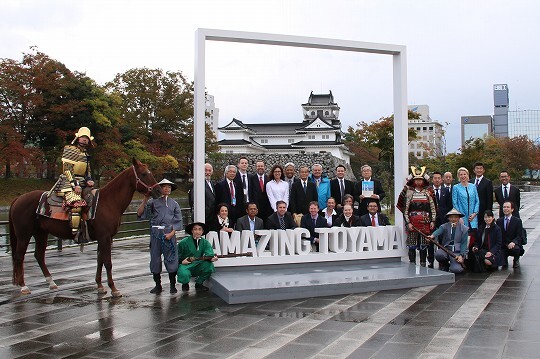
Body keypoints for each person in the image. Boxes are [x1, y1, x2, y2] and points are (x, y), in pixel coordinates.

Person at [137, 178, 183, 294]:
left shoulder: (174, 204)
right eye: (164, 186)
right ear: (160, 188)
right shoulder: (152, 202)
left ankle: (173, 285)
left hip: (169, 234)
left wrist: (172, 233)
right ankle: (158, 285)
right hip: (156, 234)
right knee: (155, 260)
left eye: (169, 187)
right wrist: (146, 198)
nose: (167, 189)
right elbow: (140, 213)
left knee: (171, 260)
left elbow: (178, 221)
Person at [51, 126, 97, 241]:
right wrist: (74, 184)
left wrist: (89, 180)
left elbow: (87, 172)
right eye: (83, 137)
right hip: (68, 181)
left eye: (87, 138)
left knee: (95, 199)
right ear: (78, 138)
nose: (85, 140)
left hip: (83, 183)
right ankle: (75, 233)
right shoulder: (70, 149)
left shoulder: (86, 155)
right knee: (76, 204)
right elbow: (67, 169)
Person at [399, 166, 436, 267]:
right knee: (412, 244)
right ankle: (412, 263)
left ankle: (423, 263)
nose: (419, 182)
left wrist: (433, 221)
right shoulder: (409, 193)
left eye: (420, 179)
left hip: (425, 222)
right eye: (416, 180)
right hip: (412, 222)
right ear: (414, 181)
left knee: (424, 244)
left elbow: (433, 208)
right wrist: (408, 223)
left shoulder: (428, 192)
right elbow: (405, 210)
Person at [177, 222, 218, 292]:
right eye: (195, 229)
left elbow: (209, 254)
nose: (197, 231)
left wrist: (211, 258)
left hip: (199, 264)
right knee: (184, 274)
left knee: (209, 266)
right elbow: (176, 255)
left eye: (199, 229)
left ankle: (199, 283)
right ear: (192, 231)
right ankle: (185, 283)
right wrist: (181, 261)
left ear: (202, 232)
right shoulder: (183, 242)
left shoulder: (205, 242)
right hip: (186, 265)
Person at [428, 208, 468, 273]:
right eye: (451, 217)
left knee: (456, 270)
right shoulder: (445, 226)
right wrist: (432, 236)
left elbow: (464, 243)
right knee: (438, 254)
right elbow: (438, 231)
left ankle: (455, 265)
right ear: (448, 218)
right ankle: (445, 264)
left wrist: (461, 255)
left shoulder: (464, 229)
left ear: (458, 218)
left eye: (455, 217)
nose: (453, 219)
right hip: (446, 250)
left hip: (456, 252)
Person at [496, 201, 524, 268]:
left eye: (508, 207)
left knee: (516, 249)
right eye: (504, 207)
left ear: (512, 209)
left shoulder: (517, 221)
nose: (506, 209)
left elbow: (519, 235)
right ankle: (504, 259)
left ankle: (516, 259)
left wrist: (514, 242)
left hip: (513, 244)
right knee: (502, 263)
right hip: (503, 244)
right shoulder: (499, 221)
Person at [470, 162, 493, 228]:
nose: (479, 170)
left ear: (483, 170)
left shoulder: (488, 182)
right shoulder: (470, 182)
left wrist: (488, 213)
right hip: (472, 210)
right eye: (477, 168)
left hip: (482, 210)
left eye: (480, 168)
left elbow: (489, 199)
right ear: (474, 170)